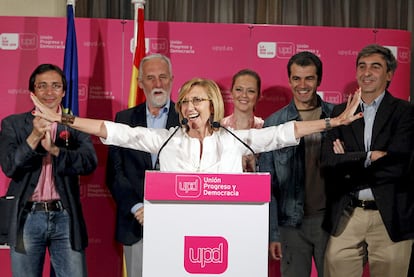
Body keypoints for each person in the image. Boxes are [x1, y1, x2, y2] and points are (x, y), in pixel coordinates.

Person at [31, 76, 361, 185]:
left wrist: (335, 121)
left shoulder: (235, 139)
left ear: (212, 104)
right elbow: (114, 130)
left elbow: (285, 132)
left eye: (198, 100)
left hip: (225, 234)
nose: (190, 106)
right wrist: (64, 119)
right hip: (176, 235)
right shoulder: (164, 140)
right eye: (185, 101)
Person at [321, 44, 414, 277]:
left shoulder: (405, 113)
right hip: (348, 213)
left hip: (390, 217)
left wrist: (349, 161)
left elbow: (399, 166)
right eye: (362, 66)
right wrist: (368, 157)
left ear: (389, 74)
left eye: (375, 67)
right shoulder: (340, 112)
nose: (367, 72)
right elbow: (329, 163)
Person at [0, 64, 98, 277]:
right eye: (42, 86)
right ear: (32, 92)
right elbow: (9, 166)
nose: (49, 92)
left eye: (55, 86)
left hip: (65, 217)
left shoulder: (74, 125)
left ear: (63, 91)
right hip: (27, 217)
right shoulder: (13, 125)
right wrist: (34, 137)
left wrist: (55, 150)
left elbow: (89, 162)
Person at [259, 51, 333, 276]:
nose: (303, 85)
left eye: (309, 78)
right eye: (296, 78)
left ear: (319, 80)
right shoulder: (274, 123)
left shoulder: (336, 116)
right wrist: (273, 233)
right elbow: (268, 185)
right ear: (289, 80)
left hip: (331, 223)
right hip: (290, 225)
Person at [105, 54, 179, 277]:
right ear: (140, 83)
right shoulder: (124, 119)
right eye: (150, 78)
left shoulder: (186, 118)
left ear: (172, 79)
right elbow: (114, 173)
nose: (158, 84)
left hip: (177, 222)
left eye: (163, 77)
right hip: (136, 223)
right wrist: (137, 207)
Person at [221, 69, 264, 172]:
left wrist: (257, 164)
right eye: (239, 89)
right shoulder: (219, 128)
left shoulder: (264, 128)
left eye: (251, 91)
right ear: (231, 92)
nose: (244, 95)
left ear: (258, 96)